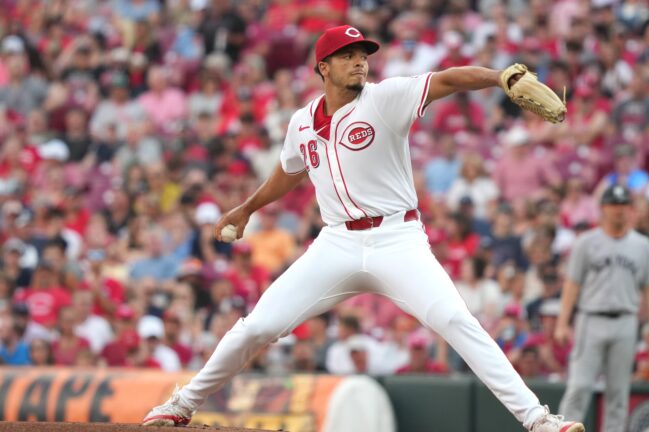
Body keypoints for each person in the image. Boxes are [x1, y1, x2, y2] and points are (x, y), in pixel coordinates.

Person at [143, 25, 582, 432]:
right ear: (323, 67)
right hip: (336, 243)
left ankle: (538, 420)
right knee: (257, 327)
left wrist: (497, 76)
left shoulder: (384, 99)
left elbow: (446, 79)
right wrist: (247, 208)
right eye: (347, 55)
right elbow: (289, 171)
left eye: (363, 54)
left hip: (397, 238)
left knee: (454, 319)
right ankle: (181, 404)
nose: (359, 61)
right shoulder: (301, 122)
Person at [555, 184, 649, 432]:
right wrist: (562, 323)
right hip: (590, 319)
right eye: (614, 205)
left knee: (618, 392)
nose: (619, 210)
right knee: (579, 387)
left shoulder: (642, 245)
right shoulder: (586, 242)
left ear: (630, 209)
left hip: (626, 320)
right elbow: (572, 285)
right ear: (603, 208)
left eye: (623, 205)